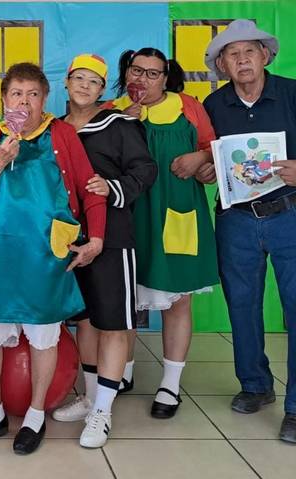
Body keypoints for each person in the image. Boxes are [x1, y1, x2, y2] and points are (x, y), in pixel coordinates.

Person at [0, 62, 106, 455]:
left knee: (43, 334)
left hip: (44, 253)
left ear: (45, 100)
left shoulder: (62, 135)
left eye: (33, 95)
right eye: (16, 95)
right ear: (4, 100)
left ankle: (36, 414)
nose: (24, 102)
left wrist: (96, 238)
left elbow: (89, 188)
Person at [104, 48, 218, 419]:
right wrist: (120, 124)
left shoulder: (189, 107)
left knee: (178, 299)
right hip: (128, 216)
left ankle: (170, 383)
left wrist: (202, 159)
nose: (143, 79)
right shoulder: (111, 110)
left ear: (166, 78)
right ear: (127, 73)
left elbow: (213, 150)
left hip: (176, 212)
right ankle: (123, 371)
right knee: (125, 300)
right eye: (137, 71)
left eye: (153, 73)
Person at [52, 54, 156, 448]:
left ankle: (103, 411)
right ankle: (91, 396)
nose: (84, 86)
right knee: (85, 320)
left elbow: (145, 170)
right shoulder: (54, 128)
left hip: (112, 237)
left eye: (93, 81)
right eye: (78, 78)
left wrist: (112, 188)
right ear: (66, 82)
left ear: (102, 88)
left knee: (113, 322)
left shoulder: (120, 125)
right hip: (69, 238)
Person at [202, 19, 296, 443]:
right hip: (236, 219)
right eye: (232, 54)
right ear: (222, 65)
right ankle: (256, 385)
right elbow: (208, 158)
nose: (241, 60)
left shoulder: (292, 94)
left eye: (249, 52)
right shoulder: (213, 105)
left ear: (265, 55)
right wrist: (205, 168)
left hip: (290, 214)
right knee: (241, 306)